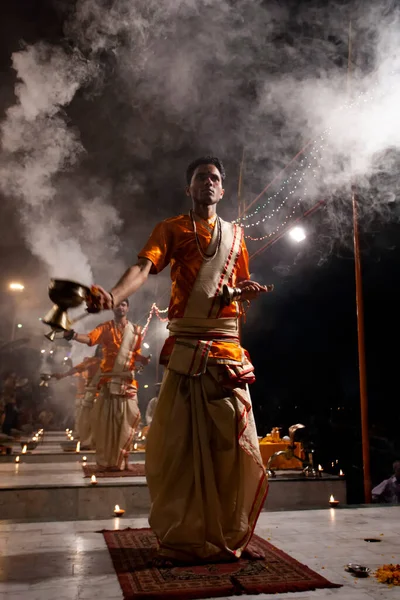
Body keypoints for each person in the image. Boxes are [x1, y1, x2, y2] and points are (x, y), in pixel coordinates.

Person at [86, 156, 271, 563]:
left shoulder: (236, 236)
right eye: (201, 177)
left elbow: (236, 286)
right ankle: (181, 539)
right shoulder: (171, 229)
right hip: (187, 352)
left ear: (222, 190)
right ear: (189, 188)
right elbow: (143, 267)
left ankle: (229, 536)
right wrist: (114, 296)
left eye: (215, 178)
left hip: (227, 355)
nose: (208, 182)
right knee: (181, 450)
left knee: (234, 449)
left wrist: (245, 292)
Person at [64, 299, 150, 471]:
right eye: (118, 305)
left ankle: (124, 461)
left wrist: (144, 360)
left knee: (127, 422)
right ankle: (106, 461)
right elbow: (89, 339)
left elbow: (136, 354)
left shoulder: (135, 331)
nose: (120, 307)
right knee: (106, 424)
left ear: (128, 307)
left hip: (127, 382)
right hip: (108, 383)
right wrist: (73, 335)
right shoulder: (105, 328)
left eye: (124, 304)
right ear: (113, 308)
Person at [53, 347, 103, 447]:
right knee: (87, 420)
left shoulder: (112, 362)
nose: (104, 350)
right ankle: (89, 441)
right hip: (91, 395)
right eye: (102, 348)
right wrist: (63, 375)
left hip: (105, 395)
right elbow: (77, 369)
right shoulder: (91, 361)